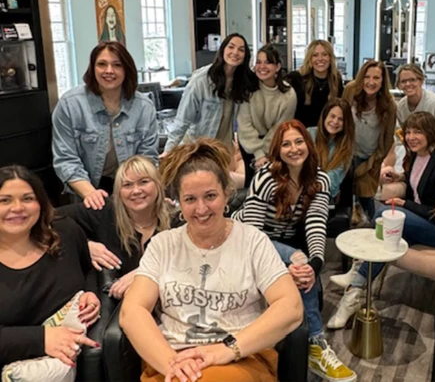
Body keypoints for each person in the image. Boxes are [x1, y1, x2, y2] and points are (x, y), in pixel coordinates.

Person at [120, 138, 302, 382]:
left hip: (240, 359)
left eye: (210, 196)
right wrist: (171, 364)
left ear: (227, 195)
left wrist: (227, 349)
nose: (201, 208)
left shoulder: (252, 242)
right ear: (179, 203)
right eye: (190, 199)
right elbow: (132, 311)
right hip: (173, 361)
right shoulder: (163, 245)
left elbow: (291, 307)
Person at [233, 120, 357, 382]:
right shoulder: (265, 178)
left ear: (308, 145)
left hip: (285, 242)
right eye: (286, 144)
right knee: (297, 259)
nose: (294, 148)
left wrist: (315, 264)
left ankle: (315, 345)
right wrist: (282, 264)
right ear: (277, 150)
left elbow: (315, 224)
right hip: (245, 237)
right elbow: (252, 234)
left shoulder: (320, 179)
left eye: (299, 141)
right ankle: (316, 343)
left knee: (304, 268)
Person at [328, 112, 435, 329]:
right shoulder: (417, 156)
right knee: (387, 236)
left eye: (417, 131)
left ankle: (356, 274)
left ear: (431, 133)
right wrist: (401, 178)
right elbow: (417, 183)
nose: (411, 136)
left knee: (383, 216)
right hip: (422, 221)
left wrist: (404, 204)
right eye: (408, 131)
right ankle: (353, 292)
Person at [0, 165, 101, 370]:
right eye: (5, 200)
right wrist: (41, 339)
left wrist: (90, 293)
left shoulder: (65, 232)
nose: (18, 208)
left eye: (28, 198)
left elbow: (88, 269)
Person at [52, 41, 158, 210]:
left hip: (131, 188)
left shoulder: (144, 106)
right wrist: (91, 194)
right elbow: (66, 159)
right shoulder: (69, 104)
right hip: (85, 189)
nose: (109, 71)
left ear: (127, 70)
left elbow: (148, 159)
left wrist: (137, 192)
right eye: (102, 64)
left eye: (117, 65)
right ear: (92, 68)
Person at [57, 155, 170, 300]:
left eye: (143, 182)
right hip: (111, 304)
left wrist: (142, 273)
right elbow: (48, 219)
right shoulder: (104, 210)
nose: (136, 191)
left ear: (158, 185)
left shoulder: (176, 219)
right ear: (118, 192)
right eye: (127, 185)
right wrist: (84, 246)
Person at [164, 33, 258, 154]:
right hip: (197, 148)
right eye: (231, 47)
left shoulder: (242, 81)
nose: (235, 52)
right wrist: (168, 151)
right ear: (222, 49)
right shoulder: (202, 80)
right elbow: (182, 120)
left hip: (223, 149)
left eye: (241, 50)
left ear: (245, 56)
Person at [343, 59, 397, 220]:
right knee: (344, 195)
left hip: (369, 158)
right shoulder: (350, 90)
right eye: (367, 77)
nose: (371, 82)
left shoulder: (389, 104)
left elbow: (388, 138)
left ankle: (375, 228)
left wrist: (376, 160)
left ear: (383, 81)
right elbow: (340, 116)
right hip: (347, 154)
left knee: (366, 196)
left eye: (376, 78)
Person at [237, 44, 297, 187]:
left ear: (277, 67)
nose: (262, 66)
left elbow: (279, 128)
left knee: (274, 185)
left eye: (268, 62)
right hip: (249, 143)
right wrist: (258, 154)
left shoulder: (289, 95)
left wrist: (265, 155)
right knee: (252, 185)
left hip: (274, 144)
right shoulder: (248, 90)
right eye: (258, 62)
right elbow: (244, 125)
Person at [286, 40, 344, 128]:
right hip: (302, 134)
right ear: (309, 59)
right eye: (315, 55)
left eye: (324, 54)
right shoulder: (297, 79)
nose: (320, 59)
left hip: (327, 133)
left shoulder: (336, 80)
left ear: (330, 58)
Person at [308, 98, 355, 199]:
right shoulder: (309, 134)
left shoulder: (347, 147)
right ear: (325, 116)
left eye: (341, 119)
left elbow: (333, 180)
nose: (335, 121)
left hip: (326, 196)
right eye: (332, 116)